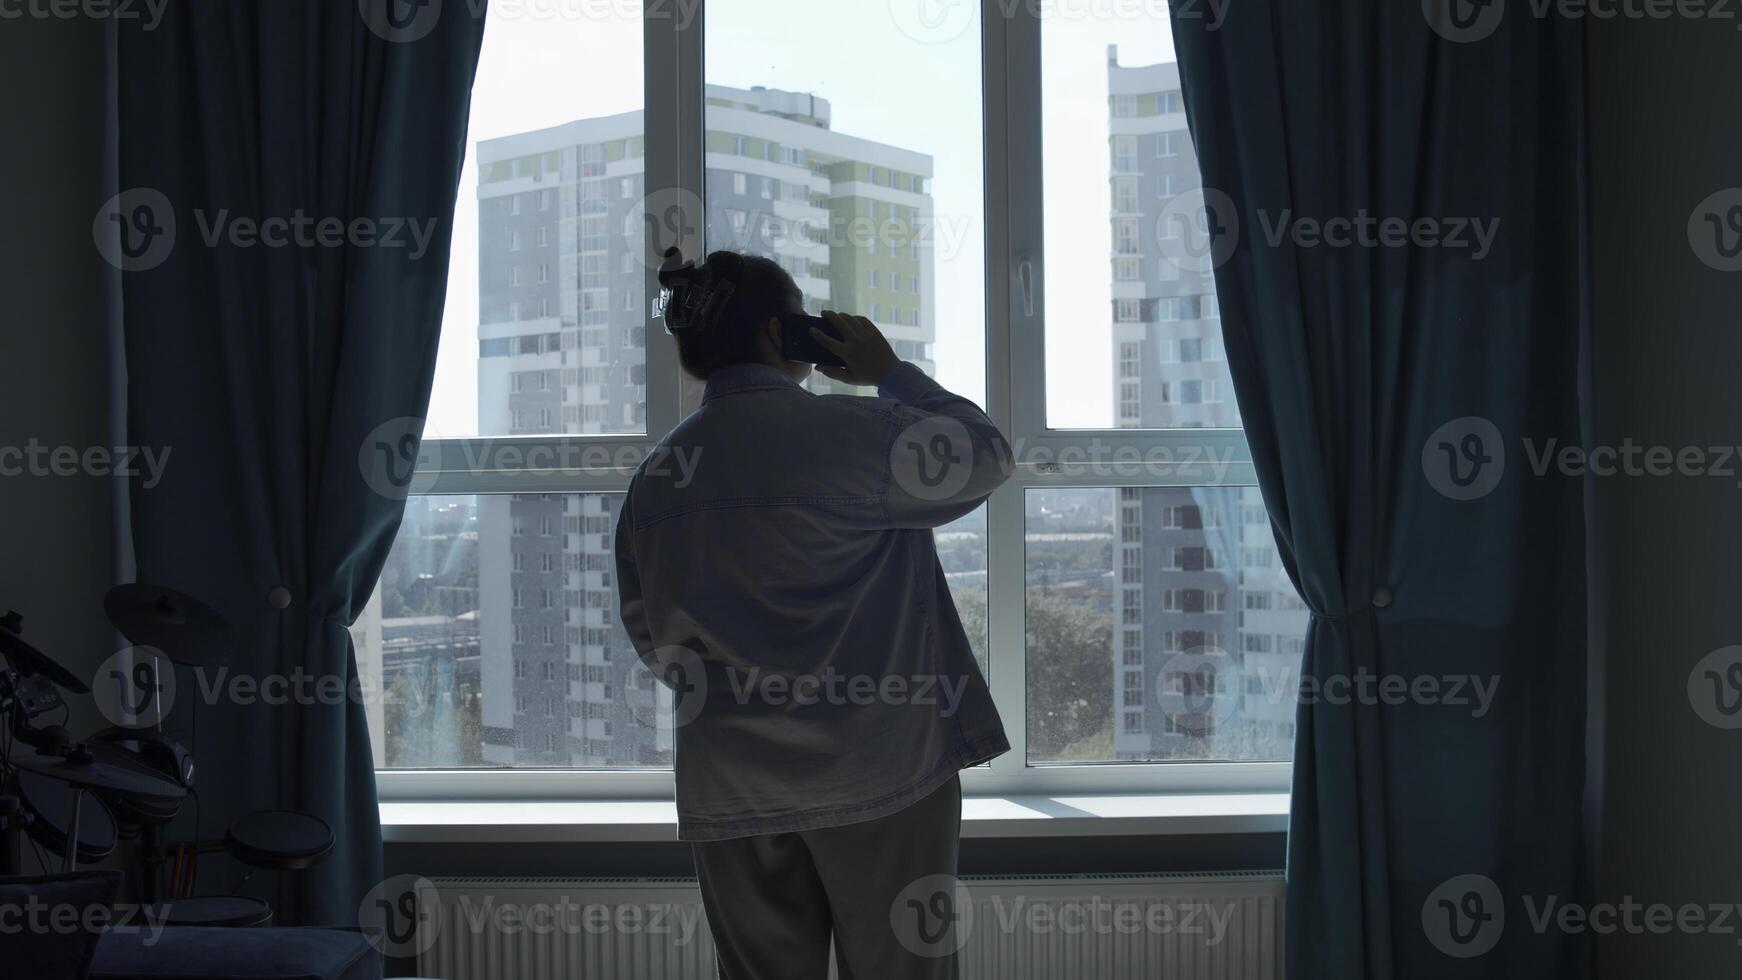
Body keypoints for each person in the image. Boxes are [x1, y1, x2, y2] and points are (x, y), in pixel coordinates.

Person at [615, 249, 1012, 979]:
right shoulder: (851, 436)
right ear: (781, 332)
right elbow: (984, 453)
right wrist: (889, 371)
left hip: (732, 784)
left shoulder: (660, 478)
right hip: (878, 772)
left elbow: (653, 637)